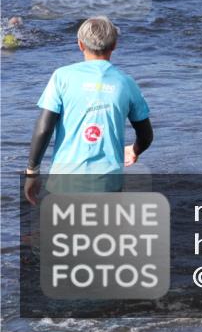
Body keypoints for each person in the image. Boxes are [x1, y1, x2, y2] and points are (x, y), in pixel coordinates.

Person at [24, 17, 154, 205]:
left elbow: (44, 128)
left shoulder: (62, 77)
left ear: (80, 44)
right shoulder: (126, 83)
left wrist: (32, 172)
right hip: (108, 184)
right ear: (115, 45)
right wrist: (135, 150)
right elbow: (146, 135)